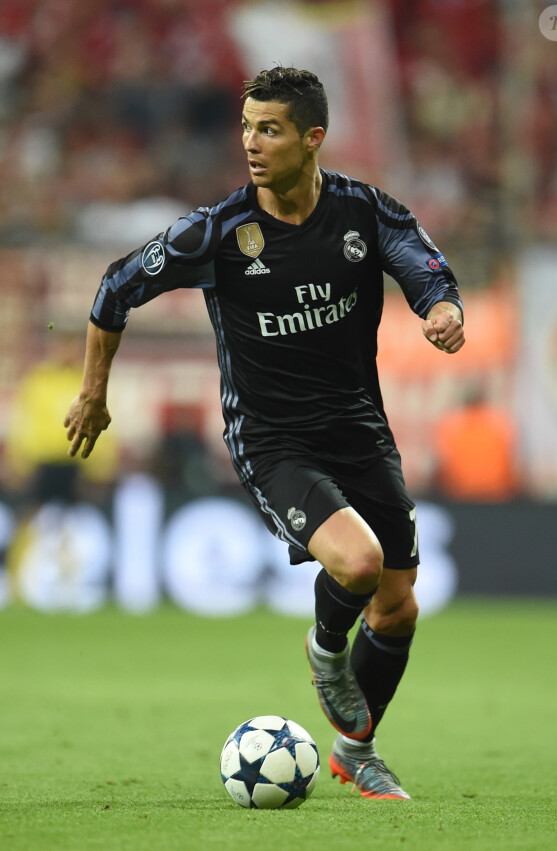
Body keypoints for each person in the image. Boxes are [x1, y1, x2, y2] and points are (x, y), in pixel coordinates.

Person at [64, 66, 465, 801]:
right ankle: (324, 649)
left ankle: (356, 750)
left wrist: (443, 310)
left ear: (313, 138)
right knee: (359, 565)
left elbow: (425, 268)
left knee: (399, 603)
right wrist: (93, 393)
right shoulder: (217, 232)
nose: (251, 142)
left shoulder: (363, 212)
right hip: (273, 438)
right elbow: (115, 287)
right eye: (247, 127)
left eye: (270, 129)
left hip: (358, 426)